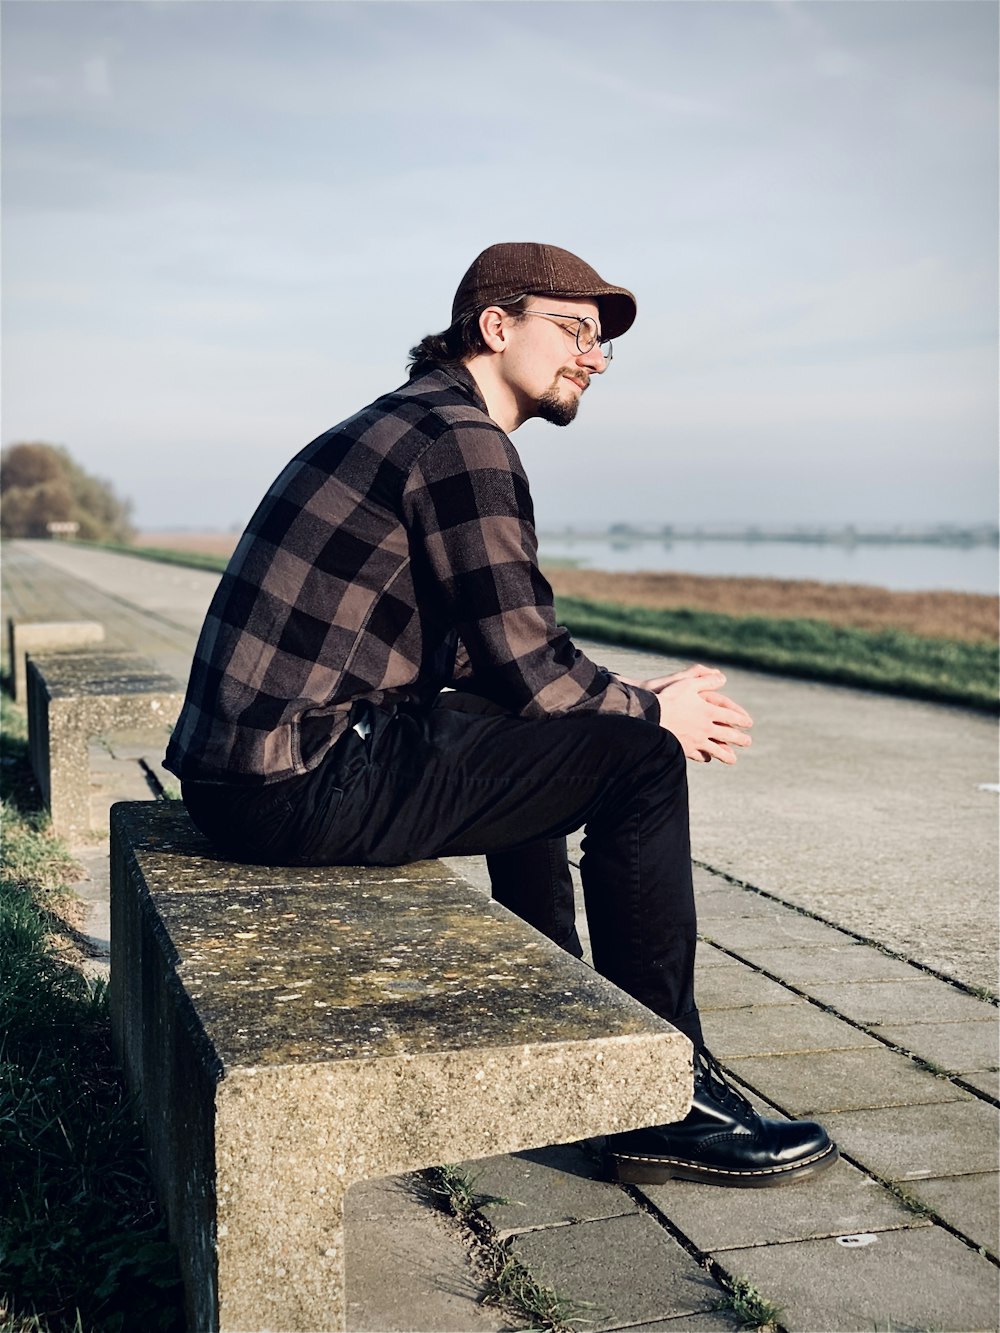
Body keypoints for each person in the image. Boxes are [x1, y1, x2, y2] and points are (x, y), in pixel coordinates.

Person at [165, 241, 838, 1188]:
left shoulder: (415, 422)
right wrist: (651, 715)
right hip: (294, 782)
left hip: (254, 772)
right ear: (495, 326)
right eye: (573, 330)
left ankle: (568, 1017)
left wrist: (619, 703)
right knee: (641, 762)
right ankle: (663, 1099)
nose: (593, 358)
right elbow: (530, 665)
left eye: (602, 345)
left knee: (565, 730)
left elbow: (503, 660)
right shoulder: (461, 440)